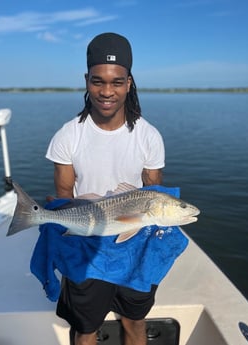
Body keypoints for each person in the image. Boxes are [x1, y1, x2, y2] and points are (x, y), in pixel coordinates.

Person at [46, 32, 165, 345]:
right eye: (98, 81)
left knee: (134, 324)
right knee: (85, 329)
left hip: (135, 248)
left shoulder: (149, 136)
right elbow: (64, 199)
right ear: (87, 81)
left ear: (129, 82)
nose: (106, 91)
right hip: (89, 246)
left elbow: (153, 197)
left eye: (116, 82)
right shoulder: (68, 136)